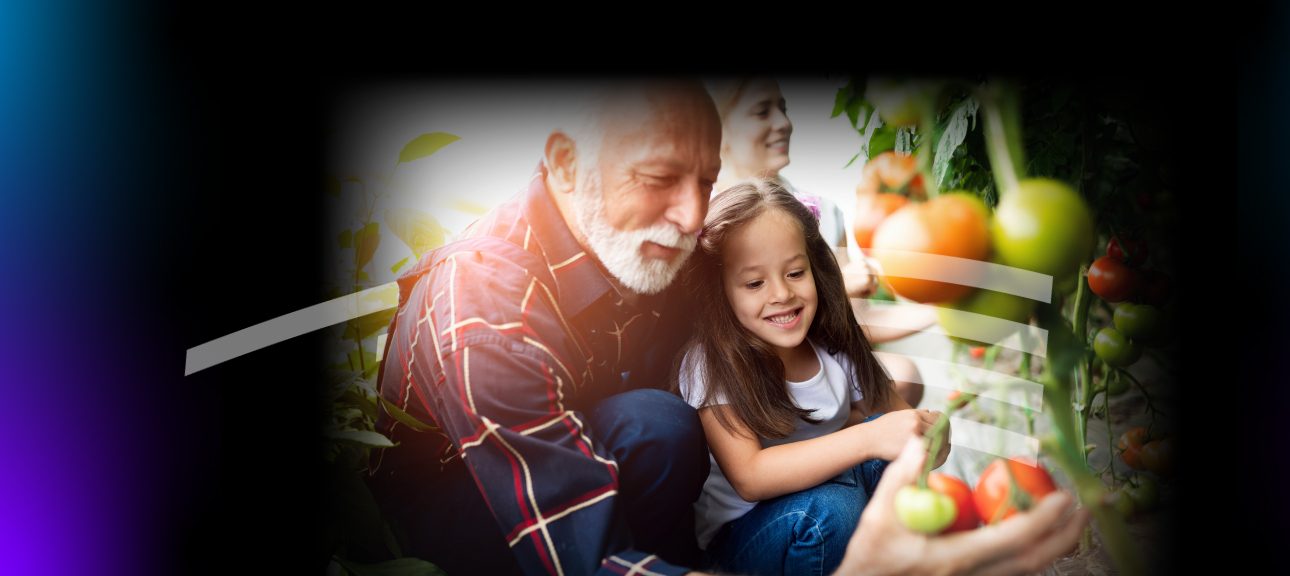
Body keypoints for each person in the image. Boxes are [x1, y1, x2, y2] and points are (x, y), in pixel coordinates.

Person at [366, 79, 1089, 576]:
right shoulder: (486, 313)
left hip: (601, 444)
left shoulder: (662, 246)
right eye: (657, 178)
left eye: (705, 180)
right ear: (563, 159)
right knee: (812, 507)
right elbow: (589, 564)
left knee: (657, 424)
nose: (689, 215)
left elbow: (791, 308)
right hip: (473, 501)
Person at [672, 179, 950, 576]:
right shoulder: (710, 363)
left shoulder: (832, 346)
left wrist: (930, 435)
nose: (782, 294)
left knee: (893, 456)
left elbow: (900, 420)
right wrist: (869, 437)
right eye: (754, 283)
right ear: (721, 291)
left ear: (815, 268)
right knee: (829, 511)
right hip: (745, 542)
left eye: (795, 273)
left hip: (830, 503)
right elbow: (751, 476)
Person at [704, 76, 932, 408]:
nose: (784, 123)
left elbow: (856, 320)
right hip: (745, 375)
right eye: (761, 112)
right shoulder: (704, 219)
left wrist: (942, 311)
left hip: (814, 364)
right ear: (719, 131)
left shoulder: (826, 213)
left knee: (903, 376)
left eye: (783, 109)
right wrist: (840, 282)